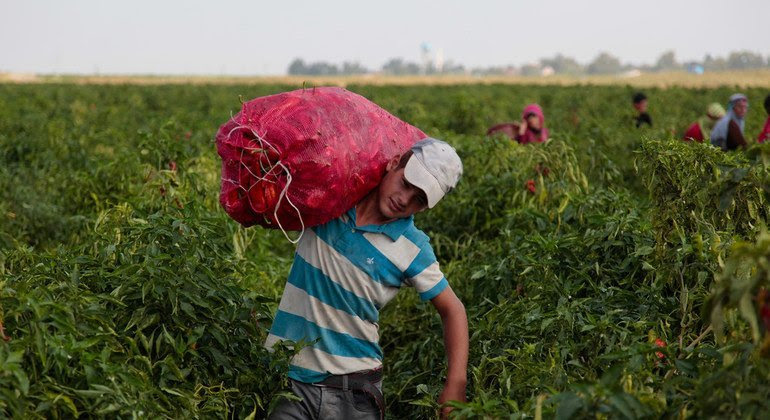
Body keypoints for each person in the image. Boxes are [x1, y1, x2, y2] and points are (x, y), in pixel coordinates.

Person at [267, 138, 468, 419]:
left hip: (352, 392)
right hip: (288, 381)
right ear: (395, 162)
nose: (404, 199)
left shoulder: (412, 248)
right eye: (406, 183)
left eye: (419, 199)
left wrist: (456, 384)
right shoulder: (333, 199)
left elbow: (453, 309)